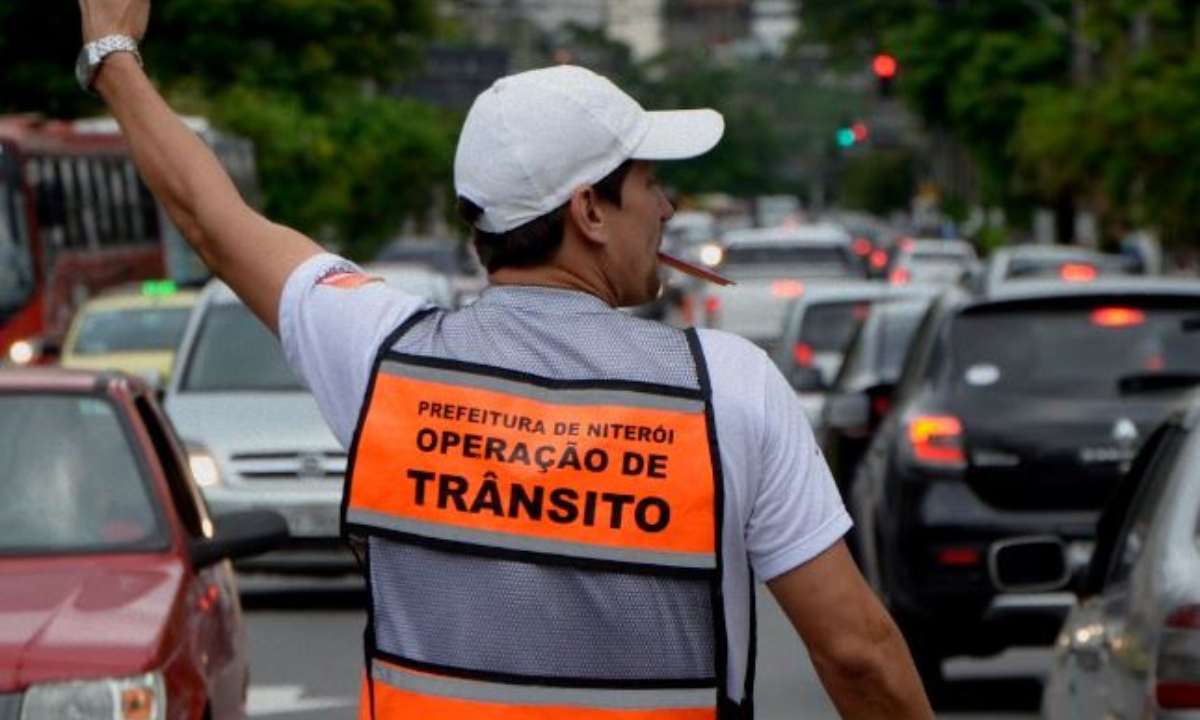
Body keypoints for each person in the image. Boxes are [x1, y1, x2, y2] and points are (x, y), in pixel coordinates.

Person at [75, 1, 936, 717]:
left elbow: (214, 222)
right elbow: (857, 653)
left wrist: (115, 57)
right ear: (589, 211)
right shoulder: (730, 388)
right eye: (649, 185)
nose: (669, 209)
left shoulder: (386, 358)